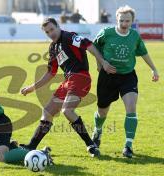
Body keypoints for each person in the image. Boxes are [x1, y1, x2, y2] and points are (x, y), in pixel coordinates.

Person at [20, 18, 112, 157]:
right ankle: (31, 146)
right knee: (47, 112)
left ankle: (90, 145)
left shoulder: (69, 37)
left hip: (81, 77)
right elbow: (51, 72)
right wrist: (32, 88)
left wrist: (102, 62)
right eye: (47, 32)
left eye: (52, 29)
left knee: (67, 111)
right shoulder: (53, 47)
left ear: (58, 26)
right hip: (68, 81)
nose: (50, 33)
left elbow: (88, 45)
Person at [92, 5, 159, 158]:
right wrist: (101, 63)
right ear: (117, 19)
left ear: (132, 21)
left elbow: (143, 52)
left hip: (128, 76)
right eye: (121, 20)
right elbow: (93, 47)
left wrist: (154, 69)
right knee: (102, 111)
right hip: (107, 77)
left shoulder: (134, 36)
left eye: (127, 21)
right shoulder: (106, 33)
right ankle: (97, 132)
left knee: (131, 108)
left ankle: (128, 146)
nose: (124, 24)